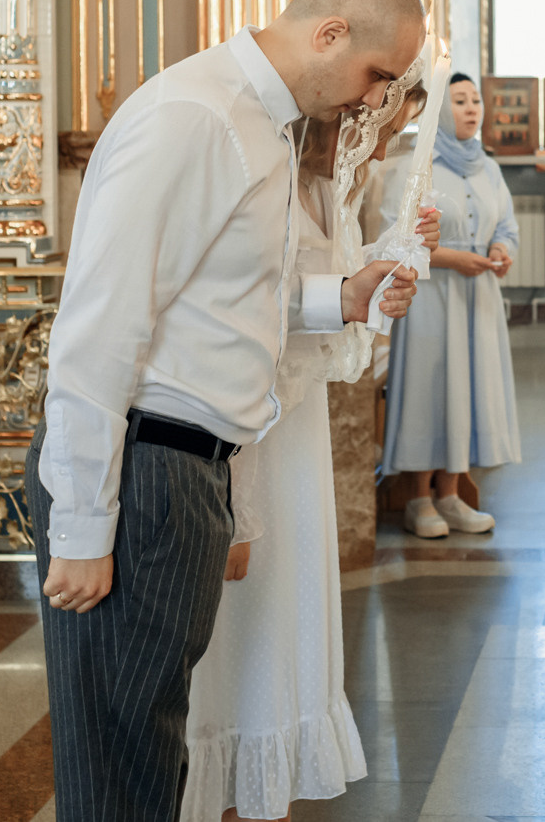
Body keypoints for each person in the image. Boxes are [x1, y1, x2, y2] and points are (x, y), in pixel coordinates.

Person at [30, 0, 427, 822]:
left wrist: (342, 296)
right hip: (145, 471)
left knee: (148, 759)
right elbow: (99, 328)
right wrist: (84, 524)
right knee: (118, 769)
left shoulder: (263, 124)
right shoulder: (193, 115)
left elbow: (233, 302)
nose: (376, 101)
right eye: (377, 75)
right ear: (330, 33)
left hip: (192, 473)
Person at [183, 83, 439, 822]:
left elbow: (334, 309)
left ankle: (264, 801)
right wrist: (237, 508)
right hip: (250, 438)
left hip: (298, 436)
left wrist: (394, 259)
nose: (382, 152)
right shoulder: (270, 183)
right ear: (349, 123)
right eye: (381, 133)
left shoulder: (333, 189)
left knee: (283, 640)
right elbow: (246, 331)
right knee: (238, 647)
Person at [382, 73, 522, 538]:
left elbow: (506, 225)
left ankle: (450, 494)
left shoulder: (488, 167)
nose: (472, 108)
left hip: (478, 296)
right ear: (441, 109)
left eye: (476, 100)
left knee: (468, 391)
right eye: (460, 100)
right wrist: (452, 258)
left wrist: (500, 250)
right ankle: (418, 499)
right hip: (430, 295)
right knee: (430, 389)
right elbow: (393, 237)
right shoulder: (415, 166)